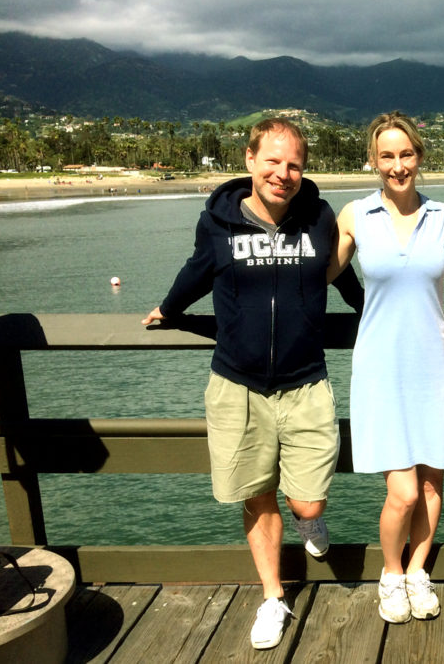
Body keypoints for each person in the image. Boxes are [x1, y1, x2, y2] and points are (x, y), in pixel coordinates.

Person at [142, 118, 354, 650]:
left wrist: (376, 313)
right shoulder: (218, 223)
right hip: (238, 385)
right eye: (273, 162)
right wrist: (168, 309)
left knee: (306, 502)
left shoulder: (319, 218)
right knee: (258, 495)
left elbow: (343, 275)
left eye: (294, 165)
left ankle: (310, 523)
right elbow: (197, 270)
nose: (283, 174)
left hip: (306, 382)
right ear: (249, 160)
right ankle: (272, 597)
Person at [333, 111, 444, 624]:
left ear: (419, 157)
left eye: (406, 154)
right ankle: (391, 575)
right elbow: (318, 273)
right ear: (373, 161)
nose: (397, 165)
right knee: (403, 489)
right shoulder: (354, 216)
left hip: (434, 363)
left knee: (433, 484)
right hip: (380, 368)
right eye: (387, 156)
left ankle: (417, 571)